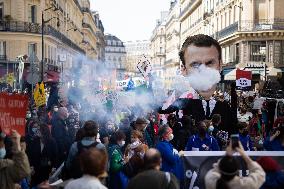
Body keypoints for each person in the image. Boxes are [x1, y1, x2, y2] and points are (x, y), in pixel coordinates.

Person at [159, 34, 234, 134]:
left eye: (209, 63)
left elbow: (233, 129)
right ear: (184, 69)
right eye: (195, 64)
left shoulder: (224, 107)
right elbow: (168, 109)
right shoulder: (188, 102)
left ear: (220, 65)